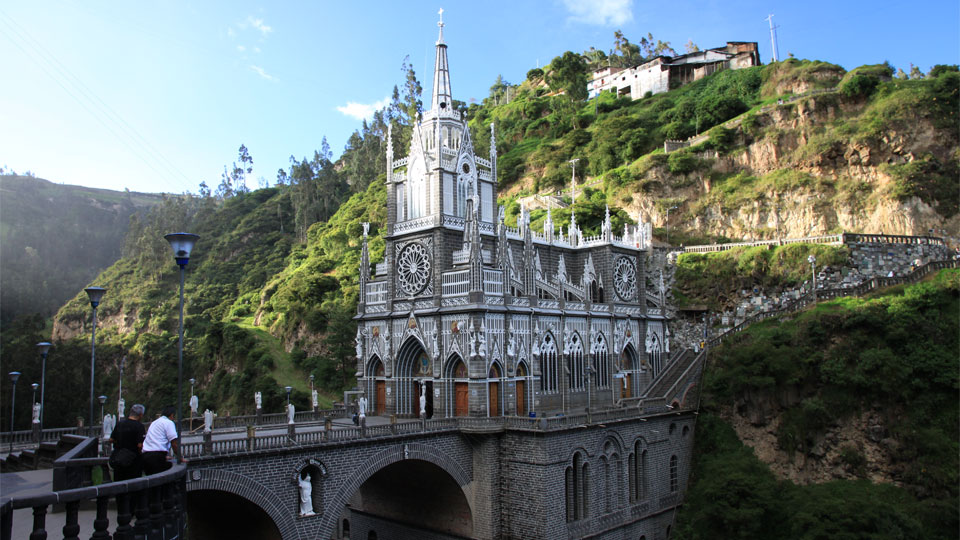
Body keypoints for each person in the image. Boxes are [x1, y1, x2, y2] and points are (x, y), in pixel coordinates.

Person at [109, 404, 146, 481]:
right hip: (133, 461)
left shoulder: (120, 423)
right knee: (133, 484)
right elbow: (140, 445)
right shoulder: (139, 426)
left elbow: (111, 439)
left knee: (118, 483)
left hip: (118, 458)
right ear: (141, 415)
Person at [142, 405, 182, 474]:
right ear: (172, 415)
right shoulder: (169, 423)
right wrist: (180, 457)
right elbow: (174, 443)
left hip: (146, 456)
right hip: (157, 456)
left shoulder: (154, 423)